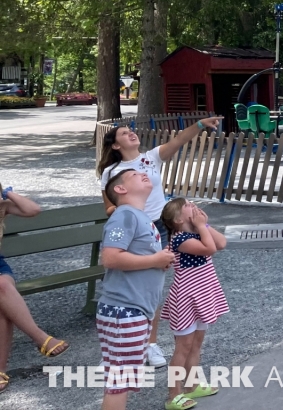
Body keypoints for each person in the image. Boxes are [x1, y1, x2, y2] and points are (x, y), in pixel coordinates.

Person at [97, 116, 222, 368]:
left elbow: (179, 140)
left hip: (159, 227)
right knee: (130, 282)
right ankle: (118, 345)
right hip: (134, 228)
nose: (130, 133)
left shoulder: (150, 157)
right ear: (115, 146)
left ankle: (150, 344)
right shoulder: (111, 173)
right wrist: (130, 212)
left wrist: (199, 125)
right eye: (123, 133)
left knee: (154, 286)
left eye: (131, 130)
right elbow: (109, 207)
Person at [98, 169, 176, 410]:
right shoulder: (125, 216)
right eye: (133, 174)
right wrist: (154, 261)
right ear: (121, 189)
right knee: (120, 383)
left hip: (134, 310)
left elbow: (138, 258)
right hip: (124, 310)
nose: (142, 173)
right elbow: (110, 257)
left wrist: (158, 262)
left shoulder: (140, 217)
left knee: (120, 380)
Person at [160, 198, 229, 410]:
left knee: (196, 344)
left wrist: (204, 225)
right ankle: (174, 395)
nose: (194, 206)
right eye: (188, 206)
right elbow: (210, 249)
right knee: (183, 347)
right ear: (179, 219)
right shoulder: (180, 239)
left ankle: (192, 385)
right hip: (187, 299)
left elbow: (221, 243)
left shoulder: (199, 232)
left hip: (202, 296)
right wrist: (200, 226)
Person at [0, 185, 70, 394]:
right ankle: (40, 338)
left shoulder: (2, 207)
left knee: (2, 288)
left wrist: (7, 193)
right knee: (2, 296)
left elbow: (33, 209)